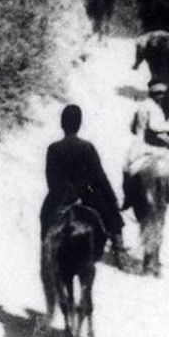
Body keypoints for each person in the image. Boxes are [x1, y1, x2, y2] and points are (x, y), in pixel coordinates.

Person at [40, 104, 125, 253]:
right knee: (109, 211)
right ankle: (117, 241)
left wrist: (60, 192)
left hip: (61, 195)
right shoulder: (87, 147)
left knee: (45, 215)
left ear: (62, 124)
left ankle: (46, 246)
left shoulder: (53, 148)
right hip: (86, 195)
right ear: (79, 124)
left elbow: (50, 178)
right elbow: (100, 177)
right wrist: (112, 199)